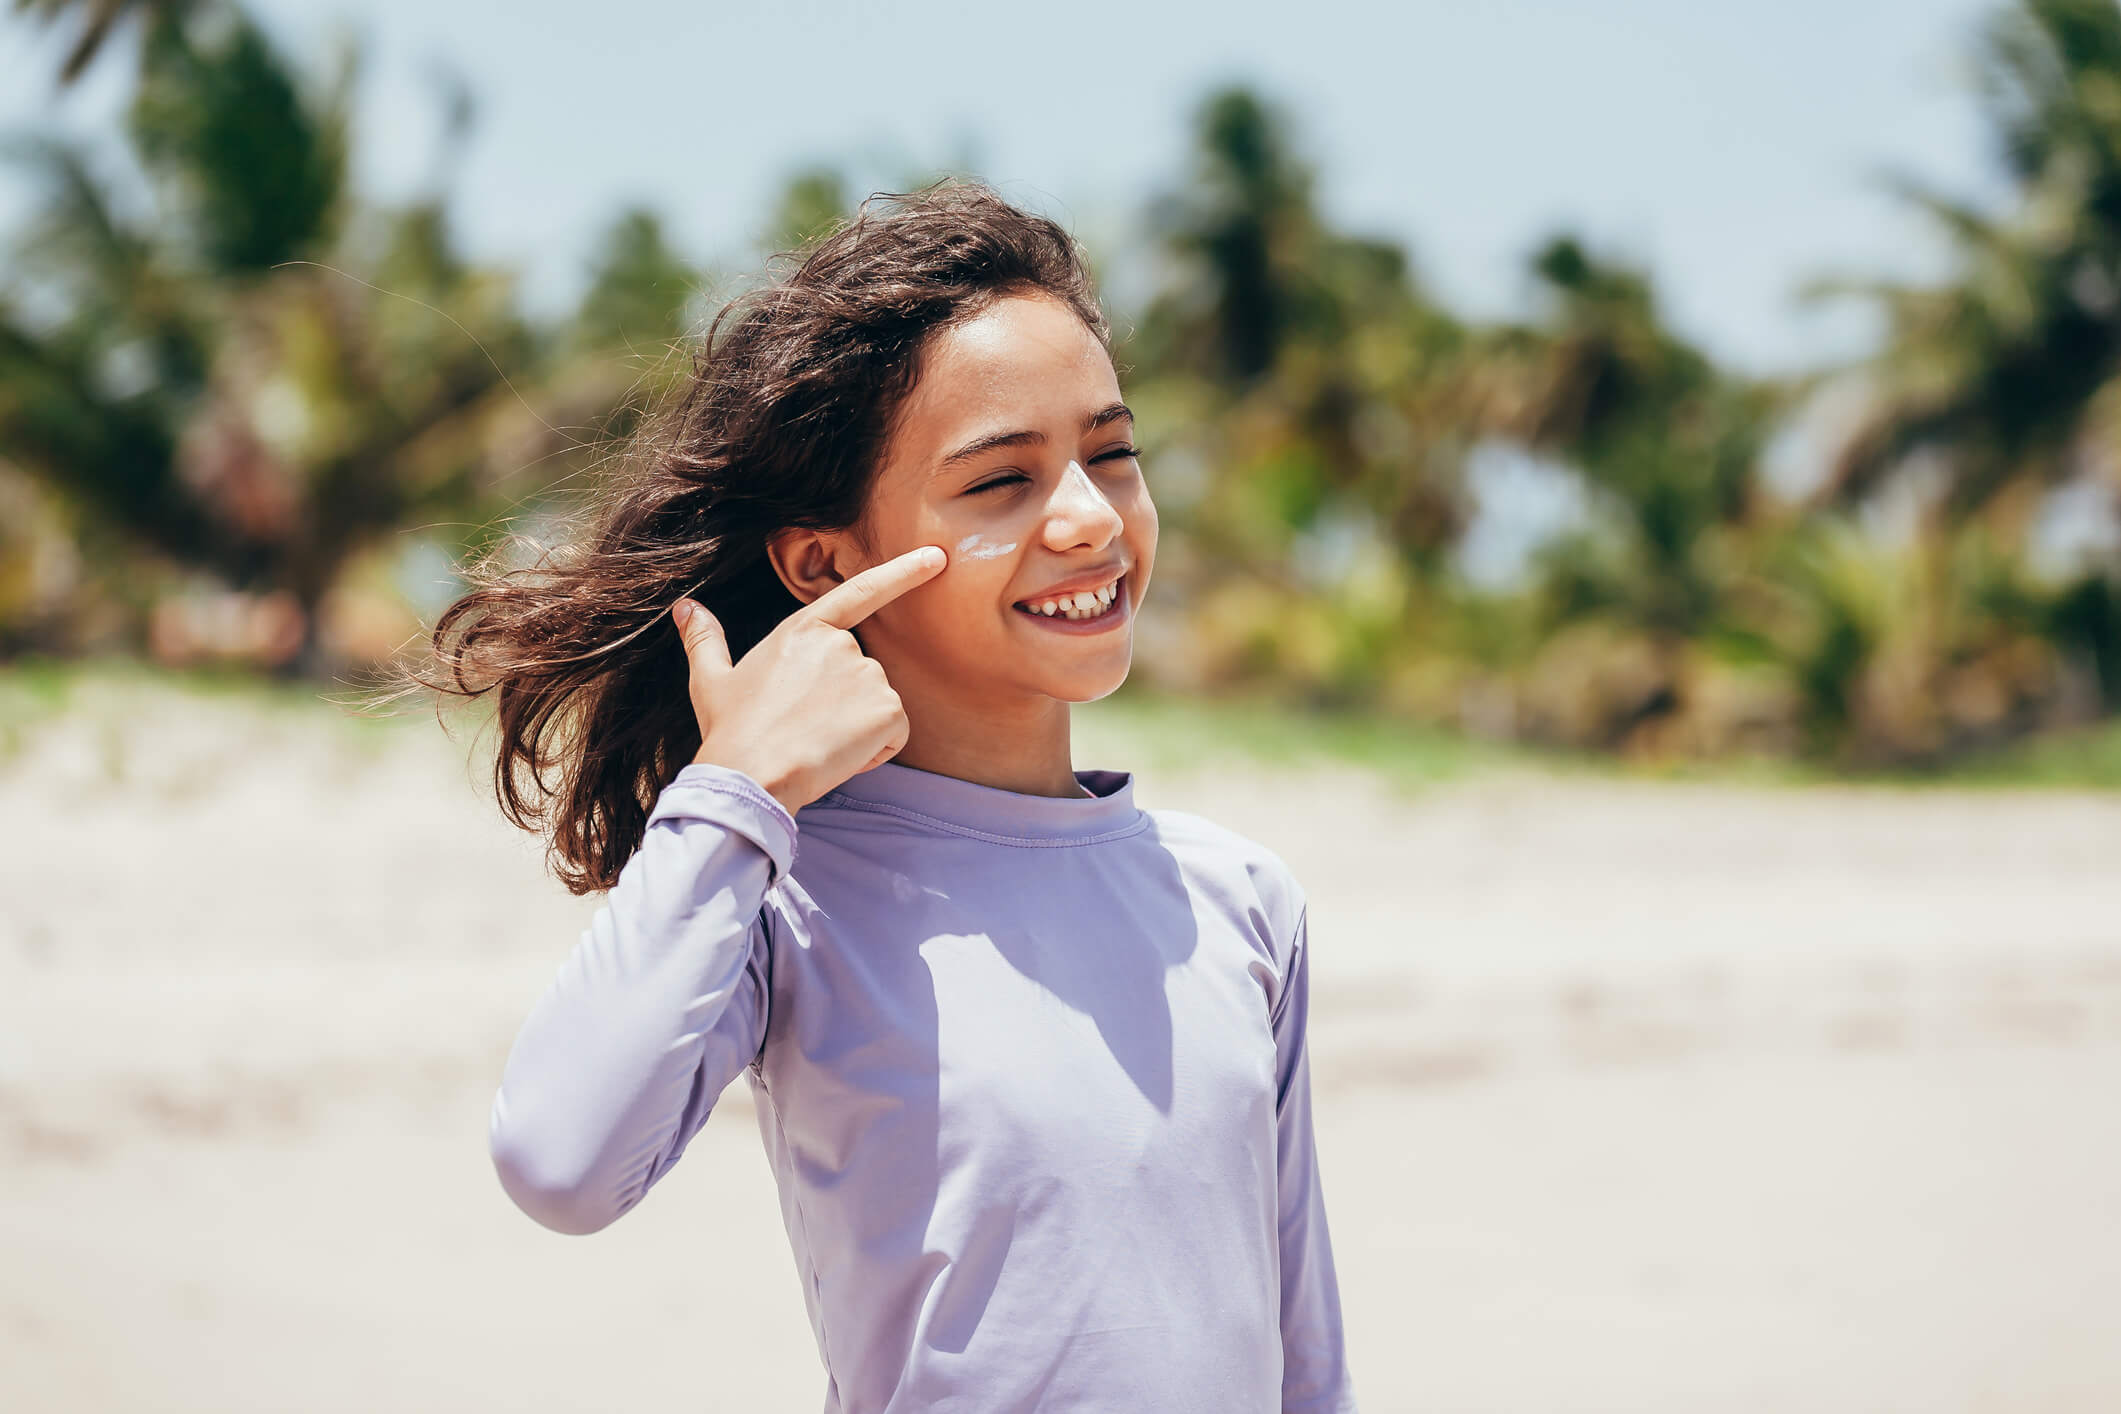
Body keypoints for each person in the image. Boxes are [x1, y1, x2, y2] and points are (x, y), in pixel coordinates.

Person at [413, 177, 1357, 1413]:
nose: (1088, 517)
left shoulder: (1238, 900)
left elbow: (1306, 1365)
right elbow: (559, 1160)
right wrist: (732, 791)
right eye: (1000, 481)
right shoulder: (787, 899)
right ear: (825, 563)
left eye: (1112, 454)